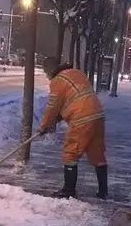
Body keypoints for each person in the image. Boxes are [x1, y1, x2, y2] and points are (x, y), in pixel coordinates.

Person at [38, 56, 108, 199]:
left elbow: (52, 107)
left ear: (50, 71)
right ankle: (103, 191)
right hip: (97, 115)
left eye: (46, 73)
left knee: (71, 152)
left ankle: (68, 190)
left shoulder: (58, 81)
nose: (47, 76)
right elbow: (76, 98)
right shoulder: (76, 73)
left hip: (81, 118)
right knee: (97, 154)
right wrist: (59, 117)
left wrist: (44, 126)